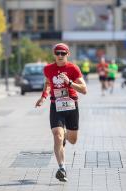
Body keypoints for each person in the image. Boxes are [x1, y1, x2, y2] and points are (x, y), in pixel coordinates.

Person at [35, 43, 87, 181]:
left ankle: (66, 137)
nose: (60, 56)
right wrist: (43, 97)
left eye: (63, 53)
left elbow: (84, 89)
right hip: (56, 106)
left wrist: (69, 82)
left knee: (73, 140)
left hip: (71, 106)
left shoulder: (73, 68)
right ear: (54, 55)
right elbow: (47, 83)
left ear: (67, 54)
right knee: (57, 135)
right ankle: (62, 168)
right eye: (57, 53)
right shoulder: (48, 69)